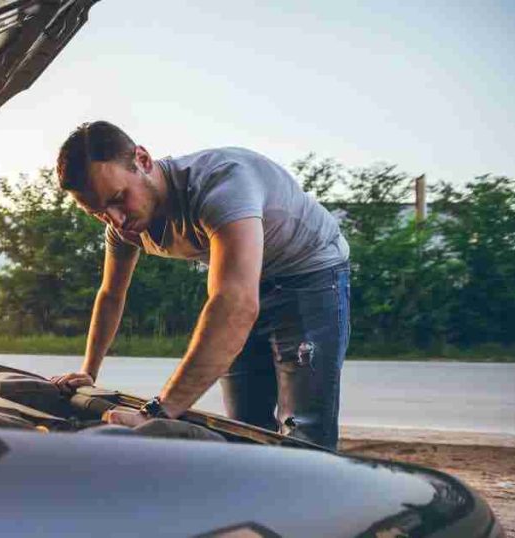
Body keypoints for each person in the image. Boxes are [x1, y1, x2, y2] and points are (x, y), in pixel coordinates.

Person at [49, 121, 351, 449]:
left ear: (143, 160)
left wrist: (157, 412)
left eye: (119, 198)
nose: (116, 219)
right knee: (245, 430)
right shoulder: (125, 228)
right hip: (248, 281)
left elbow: (234, 303)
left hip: (309, 276)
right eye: (98, 212)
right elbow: (111, 295)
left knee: (303, 436)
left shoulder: (222, 184)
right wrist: (88, 371)